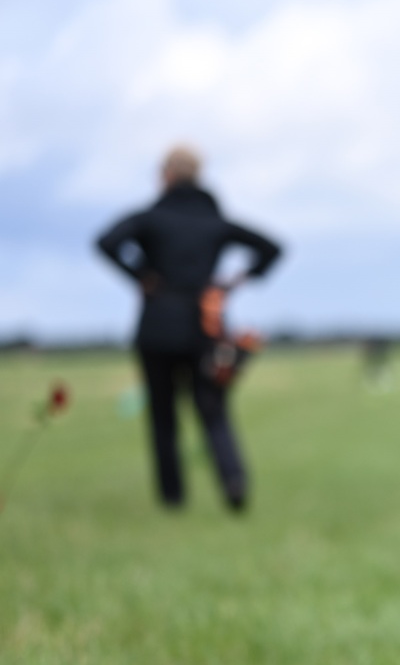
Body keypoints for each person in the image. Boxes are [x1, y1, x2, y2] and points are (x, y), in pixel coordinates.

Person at [96, 145, 282, 511]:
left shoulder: (151, 218)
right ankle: (233, 479)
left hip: (158, 328)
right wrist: (235, 281)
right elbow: (271, 248)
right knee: (213, 410)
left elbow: (106, 242)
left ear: (165, 176)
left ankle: (172, 499)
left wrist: (140, 276)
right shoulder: (215, 221)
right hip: (204, 327)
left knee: (163, 418)